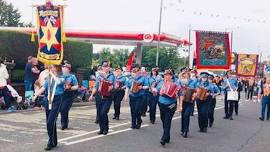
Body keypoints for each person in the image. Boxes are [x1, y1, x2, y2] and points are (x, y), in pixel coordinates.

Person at [33, 64, 65, 151]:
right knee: (50, 122)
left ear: (57, 68)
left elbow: (58, 82)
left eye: (52, 67)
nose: (50, 68)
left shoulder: (62, 76)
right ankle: (54, 140)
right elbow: (44, 87)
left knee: (51, 121)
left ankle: (50, 142)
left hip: (57, 100)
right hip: (48, 99)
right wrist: (35, 95)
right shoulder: (49, 78)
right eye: (50, 67)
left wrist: (52, 74)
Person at [89, 61, 115, 135]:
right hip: (99, 96)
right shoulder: (98, 76)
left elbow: (112, 85)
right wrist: (91, 95)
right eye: (104, 66)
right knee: (99, 113)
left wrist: (105, 77)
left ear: (109, 68)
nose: (105, 68)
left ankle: (106, 128)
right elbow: (96, 86)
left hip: (108, 97)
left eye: (107, 66)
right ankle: (101, 128)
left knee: (104, 112)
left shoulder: (112, 76)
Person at [156, 69, 179, 146]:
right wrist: (154, 90)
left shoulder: (176, 83)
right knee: (163, 119)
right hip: (161, 103)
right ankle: (167, 136)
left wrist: (180, 105)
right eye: (166, 75)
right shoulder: (161, 83)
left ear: (171, 76)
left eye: (169, 75)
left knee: (167, 121)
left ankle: (163, 138)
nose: (167, 76)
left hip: (171, 104)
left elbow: (180, 94)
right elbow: (157, 90)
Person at [125, 64, 148, 129]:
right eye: (134, 70)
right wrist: (126, 96)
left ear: (139, 70)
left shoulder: (143, 77)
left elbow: (147, 86)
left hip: (140, 96)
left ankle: (139, 120)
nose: (135, 71)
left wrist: (142, 87)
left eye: (137, 70)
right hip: (132, 96)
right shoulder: (130, 78)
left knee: (137, 110)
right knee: (132, 110)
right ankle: (133, 124)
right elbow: (127, 87)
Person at [60, 62, 78, 130]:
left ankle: (63, 124)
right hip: (61, 94)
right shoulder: (59, 75)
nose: (64, 68)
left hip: (69, 95)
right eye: (63, 67)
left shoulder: (72, 76)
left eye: (66, 67)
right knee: (62, 110)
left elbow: (76, 86)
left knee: (64, 109)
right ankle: (65, 123)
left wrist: (70, 88)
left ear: (69, 69)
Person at [178, 71, 196, 138]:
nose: (185, 76)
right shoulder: (180, 81)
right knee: (183, 115)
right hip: (182, 100)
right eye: (184, 75)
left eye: (186, 75)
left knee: (186, 115)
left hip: (190, 101)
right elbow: (177, 88)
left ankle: (186, 130)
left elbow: (196, 90)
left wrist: (195, 94)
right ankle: (183, 129)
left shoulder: (193, 81)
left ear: (189, 75)